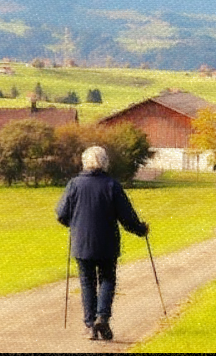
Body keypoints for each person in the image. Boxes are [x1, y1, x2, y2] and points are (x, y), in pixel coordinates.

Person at [55, 145, 149, 341]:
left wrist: (74, 225)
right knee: (107, 279)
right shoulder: (112, 185)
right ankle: (103, 317)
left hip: (82, 243)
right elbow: (127, 217)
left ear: (85, 162)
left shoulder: (74, 184)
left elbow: (62, 214)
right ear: (105, 162)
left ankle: (90, 326)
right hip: (107, 242)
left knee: (87, 282)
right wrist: (141, 230)